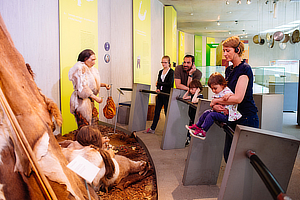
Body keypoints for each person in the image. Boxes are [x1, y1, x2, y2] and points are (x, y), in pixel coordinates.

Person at [210, 36, 259, 162]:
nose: (225, 54)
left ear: (237, 50)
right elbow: (225, 94)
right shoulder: (229, 70)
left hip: (246, 118)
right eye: (224, 50)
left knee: (242, 160)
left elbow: (237, 98)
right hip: (233, 116)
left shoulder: (245, 68)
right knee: (228, 156)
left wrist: (216, 101)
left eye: (228, 50)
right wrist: (215, 105)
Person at [186, 72, 242, 140]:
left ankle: (203, 131)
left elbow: (234, 97)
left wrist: (229, 95)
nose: (213, 90)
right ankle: (197, 126)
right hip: (220, 113)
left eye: (215, 88)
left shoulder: (227, 92)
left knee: (211, 115)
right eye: (212, 89)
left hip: (228, 116)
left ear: (222, 84)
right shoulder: (220, 92)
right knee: (206, 112)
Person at [69, 49, 111, 129]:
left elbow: (92, 85)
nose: (94, 62)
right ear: (85, 59)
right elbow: (83, 87)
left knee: (93, 123)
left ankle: (93, 140)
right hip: (81, 101)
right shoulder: (79, 69)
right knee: (84, 126)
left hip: (89, 100)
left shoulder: (92, 69)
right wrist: (95, 98)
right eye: (92, 60)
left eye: (94, 60)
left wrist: (104, 85)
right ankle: (83, 141)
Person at [145, 56, 174, 133]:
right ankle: (152, 128)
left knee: (167, 112)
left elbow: (169, 83)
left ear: (169, 63)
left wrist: (159, 83)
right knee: (157, 112)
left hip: (167, 95)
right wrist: (158, 87)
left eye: (165, 62)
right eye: (162, 62)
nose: (163, 64)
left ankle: (169, 130)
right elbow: (158, 82)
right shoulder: (160, 71)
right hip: (160, 94)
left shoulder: (171, 72)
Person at [182, 79, 203, 145]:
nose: (191, 90)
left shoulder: (200, 96)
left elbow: (194, 101)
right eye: (190, 89)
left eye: (192, 89)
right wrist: (188, 91)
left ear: (198, 89)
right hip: (191, 116)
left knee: (194, 129)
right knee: (190, 128)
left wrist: (196, 92)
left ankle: (193, 141)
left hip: (196, 117)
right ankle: (188, 139)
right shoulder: (192, 96)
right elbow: (184, 97)